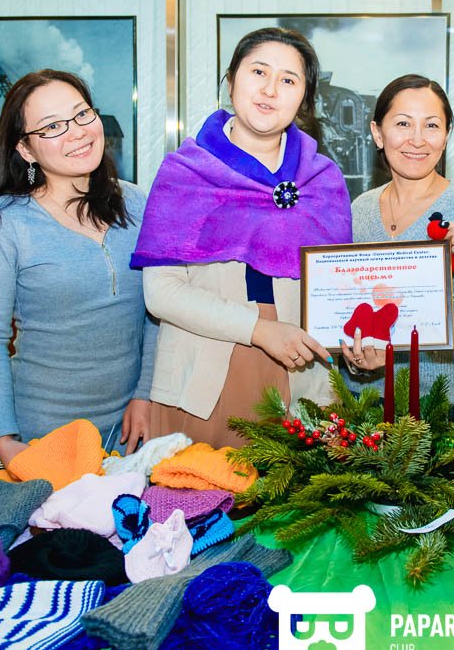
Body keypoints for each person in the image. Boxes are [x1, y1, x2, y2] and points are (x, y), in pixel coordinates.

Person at [132, 28, 352, 445]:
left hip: (302, 378)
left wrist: (358, 347)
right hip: (202, 378)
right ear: (231, 80)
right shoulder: (185, 173)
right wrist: (260, 330)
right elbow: (160, 293)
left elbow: (337, 296)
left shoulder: (323, 181)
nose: (270, 89)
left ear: (304, 98)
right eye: (258, 72)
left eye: (288, 80)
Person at [0, 69, 158, 465]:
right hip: (44, 437)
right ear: (26, 149)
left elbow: (156, 314)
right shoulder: (5, 224)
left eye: (82, 114)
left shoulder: (138, 205)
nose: (77, 132)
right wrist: (4, 439)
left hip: (130, 434)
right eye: (52, 126)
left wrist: (145, 395)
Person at [342, 75, 454, 418]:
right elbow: (343, 315)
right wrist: (354, 358)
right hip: (363, 405)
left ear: (446, 135)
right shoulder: (358, 212)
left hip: (446, 410)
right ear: (378, 133)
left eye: (431, 125)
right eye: (403, 124)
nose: (417, 139)